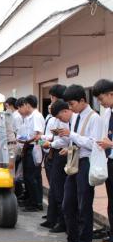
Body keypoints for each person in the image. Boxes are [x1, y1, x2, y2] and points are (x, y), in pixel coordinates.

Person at [55, 84, 102, 242]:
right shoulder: (75, 117)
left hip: (86, 162)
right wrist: (68, 143)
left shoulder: (94, 118)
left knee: (84, 205)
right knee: (68, 203)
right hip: (74, 161)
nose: (70, 107)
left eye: (72, 103)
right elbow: (76, 140)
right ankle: (72, 239)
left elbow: (93, 143)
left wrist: (72, 135)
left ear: (83, 100)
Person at [41, 100, 72, 233]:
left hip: (64, 154)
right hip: (60, 153)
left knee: (60, 190)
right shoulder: (64, 119)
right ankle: (58, 220)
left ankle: (63, 222)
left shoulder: (74, 118)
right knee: (56, 189)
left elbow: (66, 140)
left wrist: (51, 143)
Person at [92, 79, 113, 242]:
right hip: (110, 163)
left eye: (101, 98)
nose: (101, 103)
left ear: (111, 94)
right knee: (110, 206)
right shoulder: (107, 113)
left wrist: (111, 144)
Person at [16, 95, 45, 212]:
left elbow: (38, 135)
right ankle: (31, 200)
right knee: (28, 176)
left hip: (34, 147)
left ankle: (36, 202)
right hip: (28, 146)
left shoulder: (36, 116)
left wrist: (26, 140)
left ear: (27, 105)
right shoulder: (30, 117)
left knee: (33, 177)